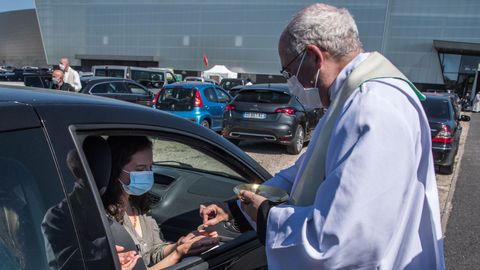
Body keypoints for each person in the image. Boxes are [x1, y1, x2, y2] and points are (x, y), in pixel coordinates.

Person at [200, 3, 445, 269]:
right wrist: (237, 207)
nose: (291, 83)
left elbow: (341, 242)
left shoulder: (371, 106)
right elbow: (304, 173)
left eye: (289, 72)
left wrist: (267, 216)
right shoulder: (351, 98)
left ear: (314, 57)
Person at [103, 136, 218, 269]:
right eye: (140, 169)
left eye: (150, 167)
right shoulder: (104, 217)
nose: (147, 174)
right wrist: (177, 254)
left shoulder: (137, 205)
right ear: (115, 169)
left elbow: (153, 252)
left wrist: (181, 244)